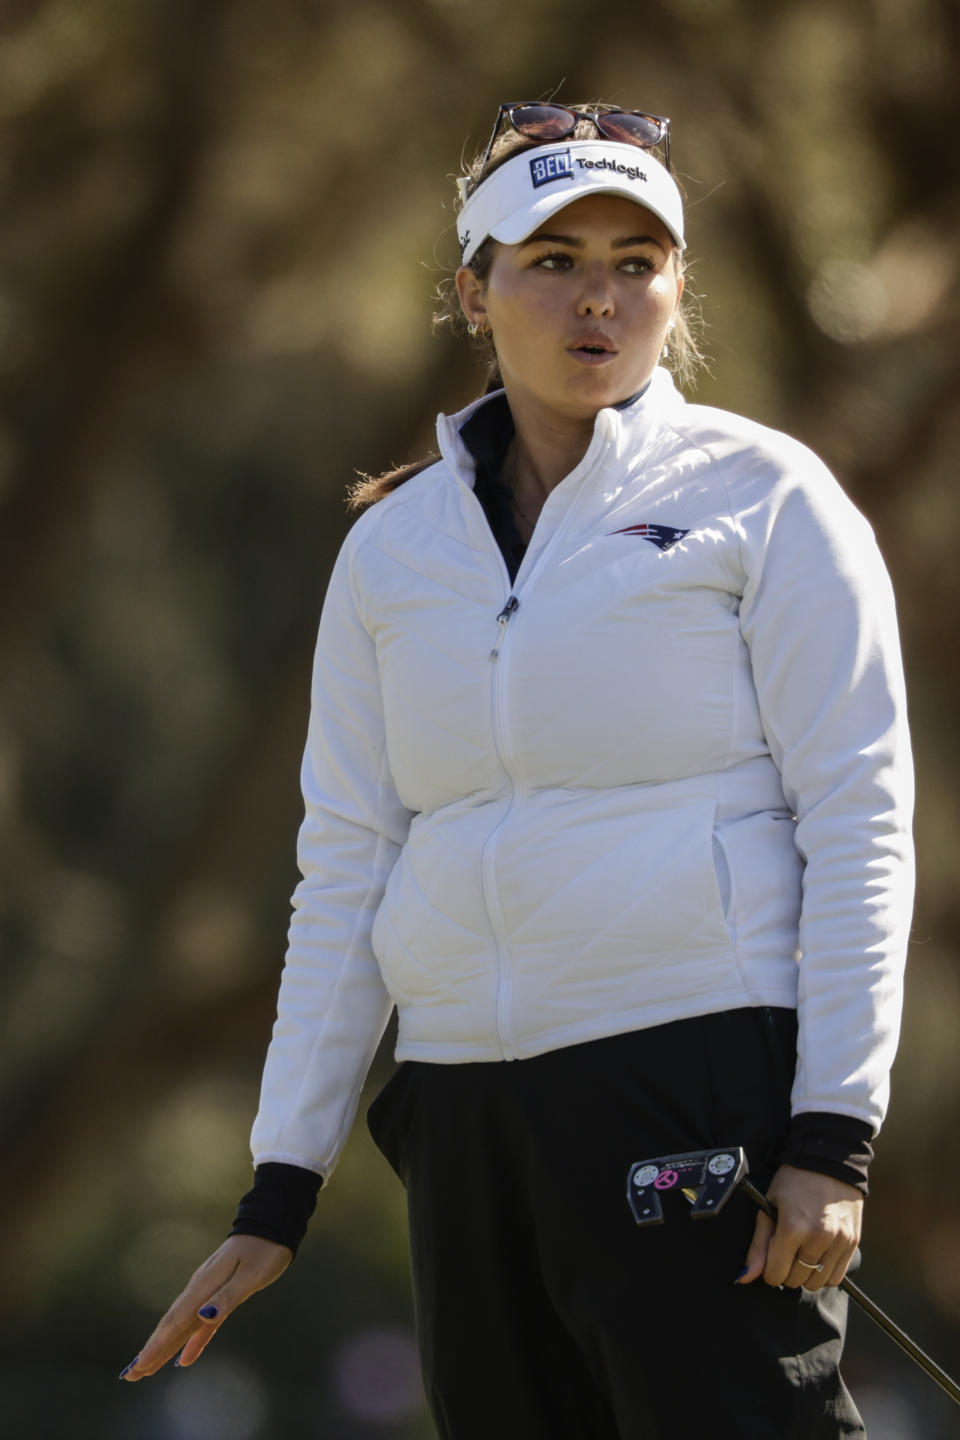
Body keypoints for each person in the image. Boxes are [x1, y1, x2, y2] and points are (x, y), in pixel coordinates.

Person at [120, 102, 914, 1437]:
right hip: (467, 1119)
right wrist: (282, 1185)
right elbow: (348, 869)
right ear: (473, 293)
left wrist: (833, 1139)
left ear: (675, 289)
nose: (597, 298)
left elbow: (863, 820)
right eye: (551, 261)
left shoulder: (765, 499)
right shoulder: (392, 551)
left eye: (635, 261)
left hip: (696, 1086)